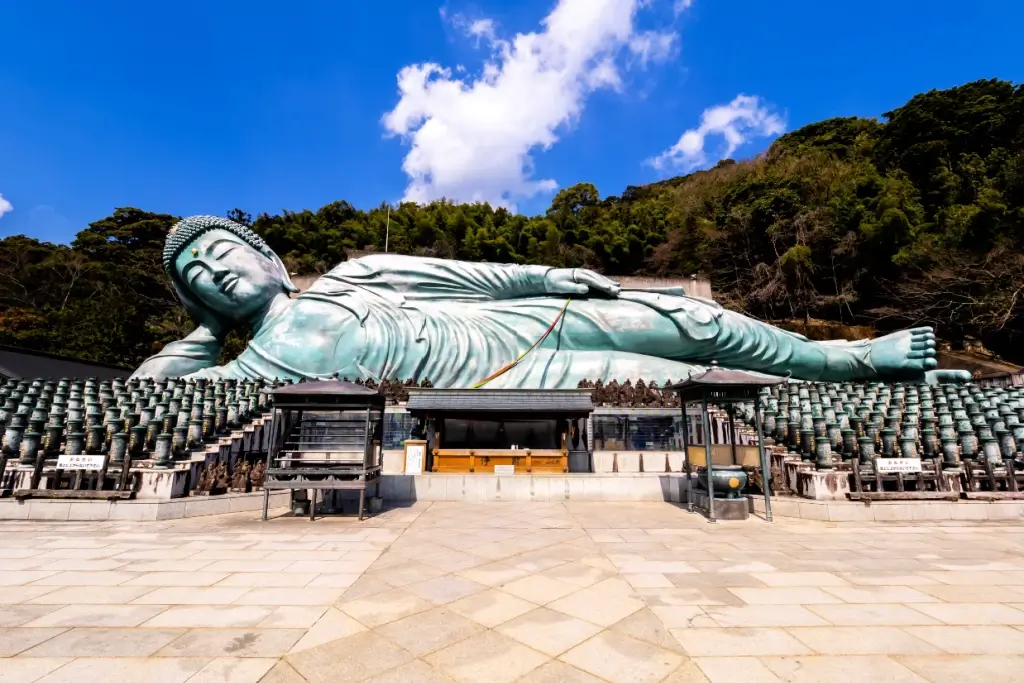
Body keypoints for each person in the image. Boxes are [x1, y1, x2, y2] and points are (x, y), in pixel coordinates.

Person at [131, 215, 970, 388]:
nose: (215, 272)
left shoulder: (358, 272)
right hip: (495, 380)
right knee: (667, 379)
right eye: (196, 276)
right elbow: (147, 389)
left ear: (268, 254)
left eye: (222, 253)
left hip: (514, 320)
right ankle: (869, 384)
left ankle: (846, 356)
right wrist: (208, 331)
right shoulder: (254, 363)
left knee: (686, 320)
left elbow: (473, 277)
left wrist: (548, 278)